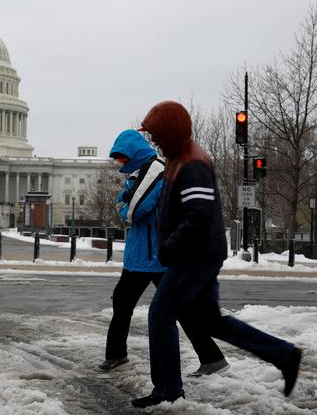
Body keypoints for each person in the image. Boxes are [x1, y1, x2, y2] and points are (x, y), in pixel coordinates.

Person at [132, 101, 302, 408]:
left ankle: (168, 391)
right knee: (210, 320)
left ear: (170, 131)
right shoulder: (179, 157)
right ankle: (284, 354)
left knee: (161, 315)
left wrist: (170, 247)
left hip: (194, 256)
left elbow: (199, 215)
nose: (153, 140)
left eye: (156, 134)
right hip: (199, 254)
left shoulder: (191, 163)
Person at [98, 130, 228, 377]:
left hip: (154, 256)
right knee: (128, 303)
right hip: (144, 255)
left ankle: (211, 358)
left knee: (148, 305)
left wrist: (126, 202)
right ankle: (211, 358)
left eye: (122, 157)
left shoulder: (154, 171)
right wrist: (125, 201)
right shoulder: (140, 173)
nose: (119, 163)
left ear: (133, 153)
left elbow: (131, 212)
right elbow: (123, 205)